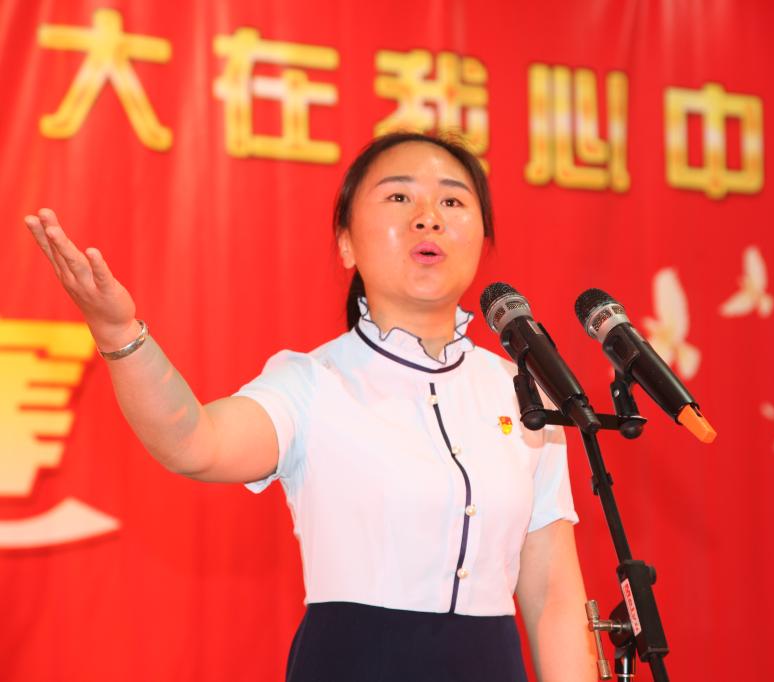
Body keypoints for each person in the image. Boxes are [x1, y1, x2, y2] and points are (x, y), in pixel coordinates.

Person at [24, 132, 597, 681]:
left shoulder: (525, 392)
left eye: (452, 200)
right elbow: (192, 441)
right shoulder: (312, 383)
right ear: (346, 243)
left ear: (482, 240)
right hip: (355, 663)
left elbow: (553, 596)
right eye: (399, 197)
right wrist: (119, 333)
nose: (429, 217)